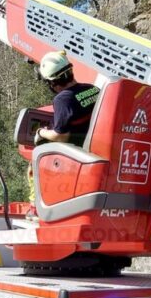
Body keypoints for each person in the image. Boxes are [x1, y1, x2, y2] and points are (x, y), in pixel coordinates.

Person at [27, 50, 100, 218]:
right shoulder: (93, 90)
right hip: (91, 147)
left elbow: (61, 136)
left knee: (35, 161)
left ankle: (36, 208)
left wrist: (41, 132)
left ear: (52, 83)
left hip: (75, 152)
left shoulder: (63, 99)